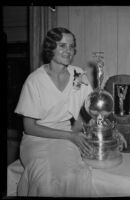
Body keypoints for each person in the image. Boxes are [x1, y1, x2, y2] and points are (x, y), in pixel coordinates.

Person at [14, 27, 96, 197]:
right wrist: (71, 136)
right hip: (36, 141)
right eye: (62, 46)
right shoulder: (34, 80)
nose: (68, 51)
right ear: (51, 47)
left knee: (72, 175)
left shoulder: (78, 74)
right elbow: (29, 127)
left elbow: (94, 108)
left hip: (65, 138)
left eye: (71, 46)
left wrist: (112, 131)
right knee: (46, 180)